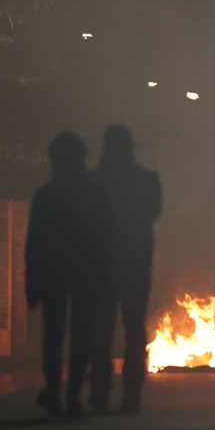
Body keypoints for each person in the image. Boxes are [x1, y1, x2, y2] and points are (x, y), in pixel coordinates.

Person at [25, 131, 113, 419]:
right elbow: (105, 238)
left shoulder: (47, 195)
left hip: (58, 271)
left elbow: (35, 240)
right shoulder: (93, 193)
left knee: (56, 335)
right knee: (79, 335)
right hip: (82, 273)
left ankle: (58, 393)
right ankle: (69, 394)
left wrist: (32, 278)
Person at [91, 124, 162, 414]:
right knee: (134, 331)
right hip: (135, 265)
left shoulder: (94, 181)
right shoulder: (146, 180)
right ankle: (131, 395)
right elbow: (154, 213)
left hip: (102, 266)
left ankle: (101, 393)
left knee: (101, 332)